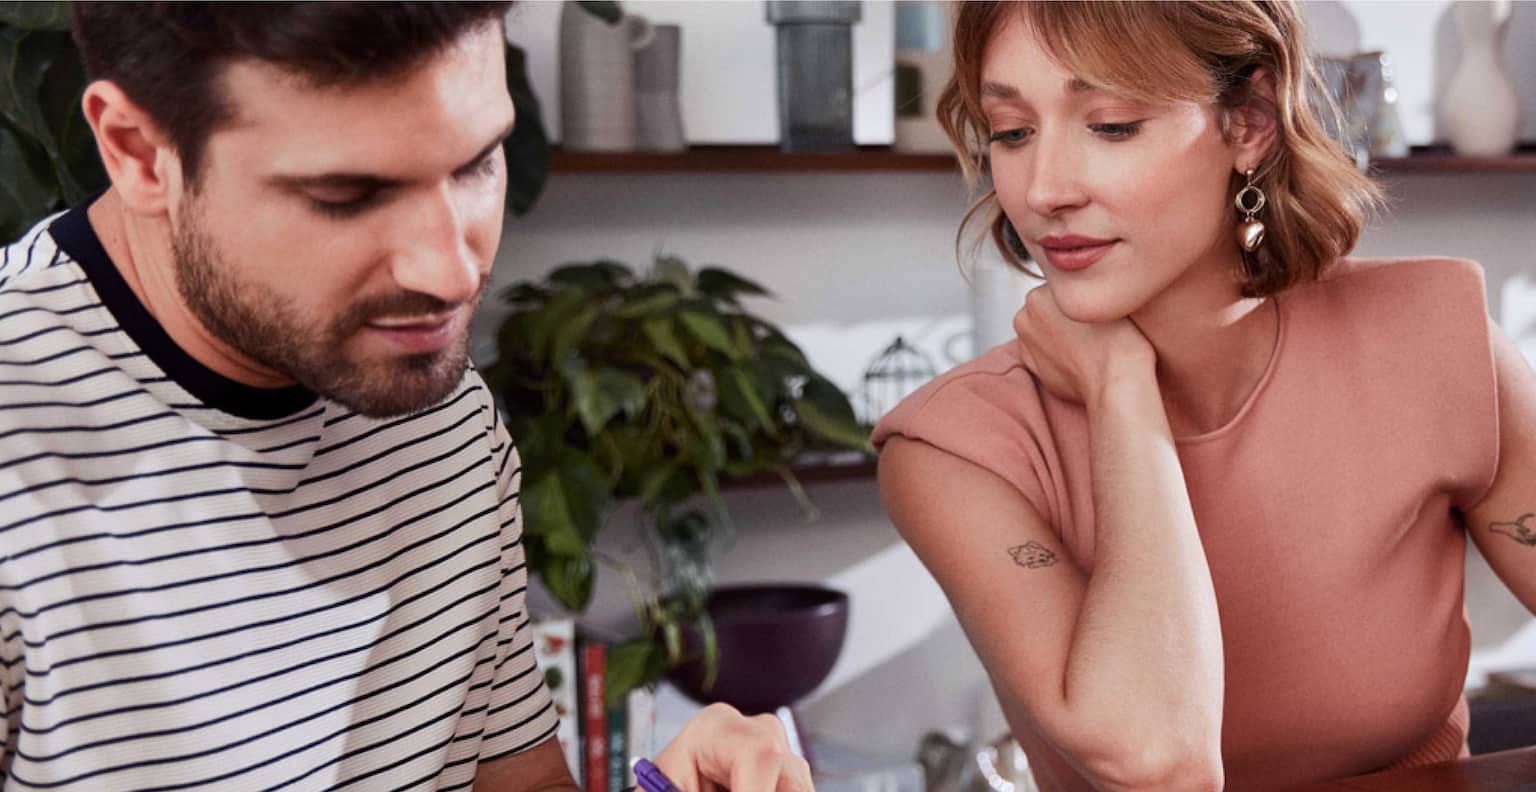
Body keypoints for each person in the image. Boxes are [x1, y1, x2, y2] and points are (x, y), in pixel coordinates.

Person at [0, 3, 811, 790]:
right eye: (348, 196)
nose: (451, 274)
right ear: (140, 152)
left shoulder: (443, 415)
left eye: (477, 163)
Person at [874, 2, 1536, 791]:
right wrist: (1121, 393)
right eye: (1012, 132)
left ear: (1249, 121)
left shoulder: (1431, 342)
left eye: (1111, 125)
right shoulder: (954, 451)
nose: (1044, 189)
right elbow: (1160, 763)